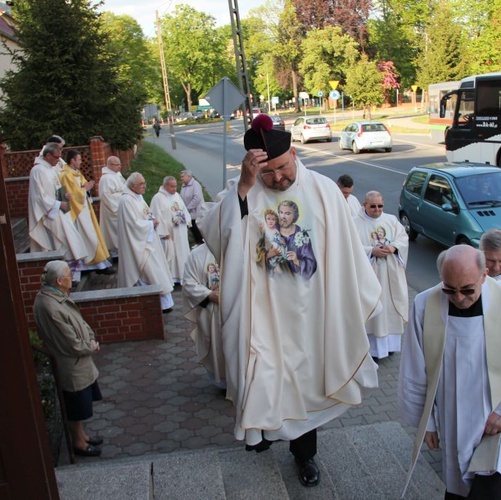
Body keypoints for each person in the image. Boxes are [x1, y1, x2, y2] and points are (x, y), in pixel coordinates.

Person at [199, 113, 381, 487]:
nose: (278, 178)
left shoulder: (324, 191)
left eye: (282, 169)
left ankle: (305, 456)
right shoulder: (244, 189)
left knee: (305, 386)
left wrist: (347, 302)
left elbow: (346, 252)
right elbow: (217, 237)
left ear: (294, 154)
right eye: (268, 173)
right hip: (264, 313)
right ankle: (262, 434)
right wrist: (246, 188)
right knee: (264, 376)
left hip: (316, 311)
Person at [398, 245, 501, 499]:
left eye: (467, 289)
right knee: (461, 488)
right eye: (450, 289)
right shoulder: (425, 305)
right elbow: (416, 368)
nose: (458, 298)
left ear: (484, 275)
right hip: (454, 419)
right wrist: (426, 422)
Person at [33, 260, 104, 457]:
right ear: (59, 281)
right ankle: (78, 443)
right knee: (76, 407)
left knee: (80, 404)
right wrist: (89, 346)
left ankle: (82, 435)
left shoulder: (55, 297)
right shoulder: (50, 306)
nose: (72, 279)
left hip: (78, 362)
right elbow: (69, 341)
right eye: (68, 276)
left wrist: (90, 336)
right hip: (71, 364)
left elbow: (78, 321)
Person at [353, 191, 409, 360]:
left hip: (390, 275)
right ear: (365, 205)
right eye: (373, 206)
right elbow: (350, 246)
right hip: (370, 275)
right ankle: (372, 350)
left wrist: (393, 247)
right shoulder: (354, 223)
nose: (377, 209)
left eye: (380, 206)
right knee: (373, 311)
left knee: (389, 309)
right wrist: (371, 251)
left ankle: (390, 347)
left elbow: (403, 238)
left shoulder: (391, 220)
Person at [27, 142, 88, 281]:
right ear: (47, 155)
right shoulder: (38, 171)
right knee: (60, 240)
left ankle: (71, 274)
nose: (58, 160)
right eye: (56, 157)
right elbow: (39, 197)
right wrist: (57, 203)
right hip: (48, 214)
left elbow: (56, 188)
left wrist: (63, 196)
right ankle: (61, 275)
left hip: (58, 209)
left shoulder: (50, 168)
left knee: (71, 238)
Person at [117, 173, 174, 312]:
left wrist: (152, 219)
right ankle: (152, 303)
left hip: (147, 240)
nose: (144, 186)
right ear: (132, 186)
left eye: (144, 183)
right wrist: (150, 224)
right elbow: (132, 224)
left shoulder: (138, 197)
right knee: (148, 271)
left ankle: (163, 303)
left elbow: (145, 213)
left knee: (156, 269)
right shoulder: (126, 201)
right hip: (138, 243)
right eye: (141, 184)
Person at [59, 150, 113, 274]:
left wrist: (86, 188)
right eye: (79, 159)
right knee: (88, 237)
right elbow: (71, 195)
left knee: (92, 236)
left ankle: (99, 264)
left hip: (84, 209)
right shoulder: (66, 175)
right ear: (72, 160)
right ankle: (95, 265)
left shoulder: (76, 173)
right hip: (77, 212)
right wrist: (85, 189)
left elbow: (82, 186)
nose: (81, 162)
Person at [182, 243, 226, 389]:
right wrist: (208, 294)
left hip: (237, 308)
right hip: (211, 311)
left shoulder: (239, 247)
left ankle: (241, 381)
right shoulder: (197, 254)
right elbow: (188, 283)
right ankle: (223, 383)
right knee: (217, 345)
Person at [150, 176, 191, 285]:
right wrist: (163, 232)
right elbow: (156, 215)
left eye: (175, 186)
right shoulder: (157, 198)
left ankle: (183, 276)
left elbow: (183, 209)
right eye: (172, 186)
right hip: (170, 234)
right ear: (165, 186)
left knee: (182, 253)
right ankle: (172, 278)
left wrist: (187, 220)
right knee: (171, 255)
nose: (174, 189)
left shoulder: (177, 195)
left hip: (180, 232)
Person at [98, 156, 127, 258]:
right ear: (110, 165)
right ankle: (116, 253)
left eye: (120, 164)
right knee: (114, 233)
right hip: (113, 210)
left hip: (121, 208)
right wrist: (121, 197)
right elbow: (105, 196)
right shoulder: (106, 178)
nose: (119, 167)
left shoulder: (116, 175)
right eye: (117, 165)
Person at [179, 169, 205, 244]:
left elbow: (197, 198)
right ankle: (197, 242)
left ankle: (201, 242)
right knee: (192, 227)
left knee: (196, 227)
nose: (181, 178)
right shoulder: (184, 186)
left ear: (189, 176)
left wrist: (188, 207)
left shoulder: (195, 185)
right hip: (188, 211)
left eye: (182, 176)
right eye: (181, 177)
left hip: (196, 211)